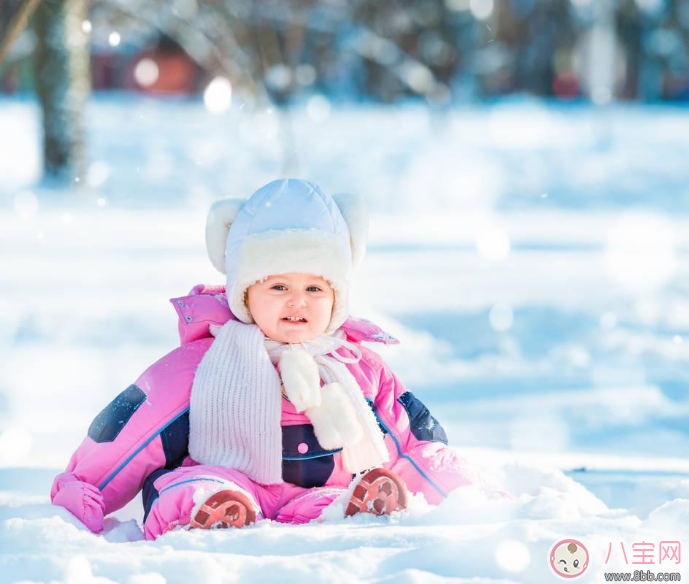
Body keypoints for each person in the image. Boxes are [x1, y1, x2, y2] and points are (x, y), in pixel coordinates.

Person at [50, 178, 475, 540]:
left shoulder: (355, 366)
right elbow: (134, 429)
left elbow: (414, 440)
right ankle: (211, 512)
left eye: (314, 289)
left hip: (317, 496)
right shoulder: (206, 362)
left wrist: (464, 494)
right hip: (225, 478)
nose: (297, 301)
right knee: (188, 486)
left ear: (336, 298)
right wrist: (85, 485)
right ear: (245, 294)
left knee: (342, 498)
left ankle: (358, 511)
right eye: (277, 287)